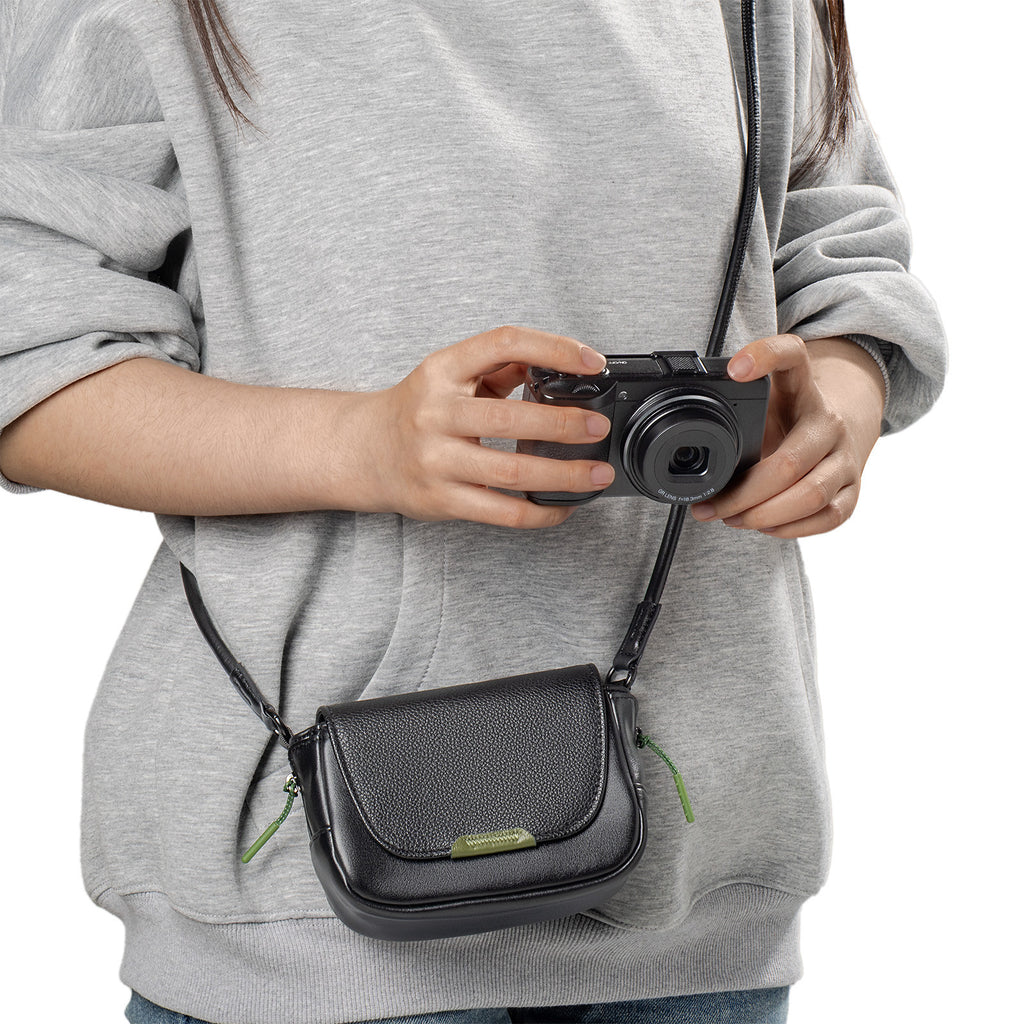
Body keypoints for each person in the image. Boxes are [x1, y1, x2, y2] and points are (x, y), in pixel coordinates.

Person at [0, 1, 947, 1022]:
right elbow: (30, 352)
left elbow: (834, 247)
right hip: (311, 889)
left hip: (700, 885)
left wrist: (835, 403)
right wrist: (360, 445)